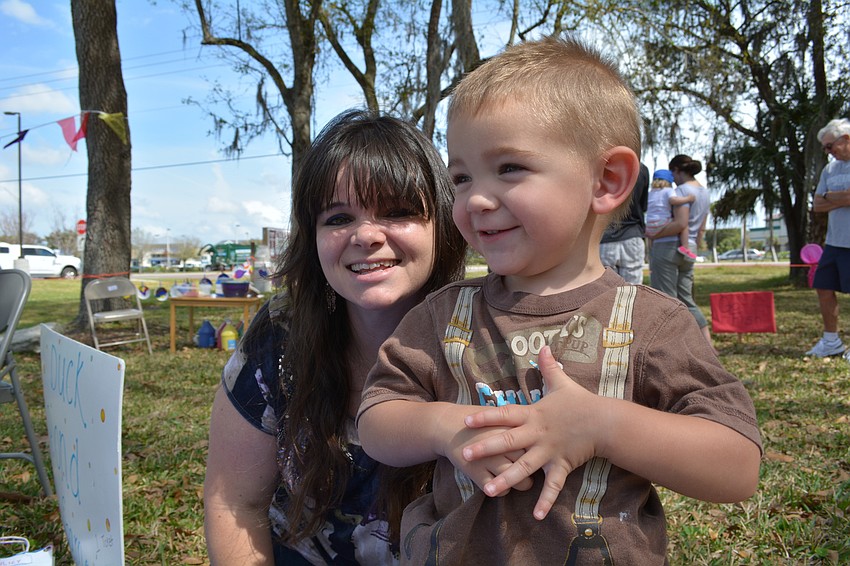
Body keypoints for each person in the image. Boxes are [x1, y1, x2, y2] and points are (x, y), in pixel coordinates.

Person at [357, 37, 762, 565]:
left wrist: (600, 426)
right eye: (461, 177)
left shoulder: (652, 322)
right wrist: (443, 428)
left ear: (607, 180)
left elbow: (736, 467)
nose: (476, 198)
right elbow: (376, 420)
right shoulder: (442, 316)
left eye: (509, 168)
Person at [203, 108, 467, 564]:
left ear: (442, 225)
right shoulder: (279, 336)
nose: (365, 235)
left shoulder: (491, 341)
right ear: (313, 237)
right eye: (339, 217)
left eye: (399, 211)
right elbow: (234, 504)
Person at [647, 154, 713, 346]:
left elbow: (680, 222)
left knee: (665, 299)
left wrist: (653, 234)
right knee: (687, 299)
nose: (672, 179)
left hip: (669, 246)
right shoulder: (705, 192)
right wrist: (695, 245)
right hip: (690, 247)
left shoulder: (680, 191)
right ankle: (706, 343)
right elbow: (701, 226)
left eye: (672, 173)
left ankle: (674, 346)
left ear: (676, 170)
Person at [806, 118, 850, 358]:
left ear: (846, 139)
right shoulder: (830, 169)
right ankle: (831, 341)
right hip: (834, 242)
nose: (827, 151)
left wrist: (830, 197)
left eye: (829, 146)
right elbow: (817, 205)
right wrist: (842, 197)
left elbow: (825, 199)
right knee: (823, 286)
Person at [599, 162, 649, 283]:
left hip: (606, 236)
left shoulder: (602, 167)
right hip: (632, 236)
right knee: (632, 291)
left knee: (606, 291)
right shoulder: (641, 169)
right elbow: (643, 206)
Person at [644, 168, 697, 260]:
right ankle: (685, 247)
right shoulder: (668, 190)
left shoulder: (650, 193)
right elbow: (673, 200)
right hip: (662, 221)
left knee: (652, 238)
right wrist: (688, 198)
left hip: (649, 225)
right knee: (683, 225)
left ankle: (650, 253)